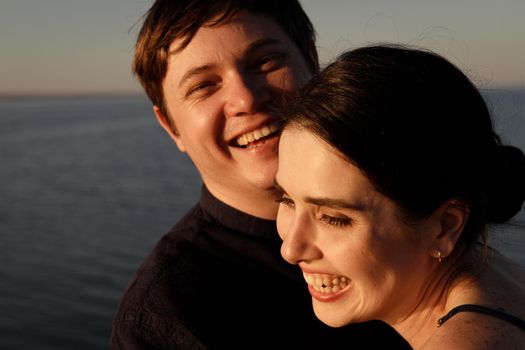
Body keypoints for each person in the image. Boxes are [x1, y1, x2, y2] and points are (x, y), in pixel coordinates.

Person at [111, 1, 410, 349]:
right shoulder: (169, 317)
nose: (246, 99)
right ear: (171, 127)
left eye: (264, 62)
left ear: (313, 62)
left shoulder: (403, 191)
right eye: (204, 86)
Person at [275, 44, 525, 349]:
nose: (290, 249)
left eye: (334, 219)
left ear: (445, 226)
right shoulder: (502, 280)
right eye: (286, 200)